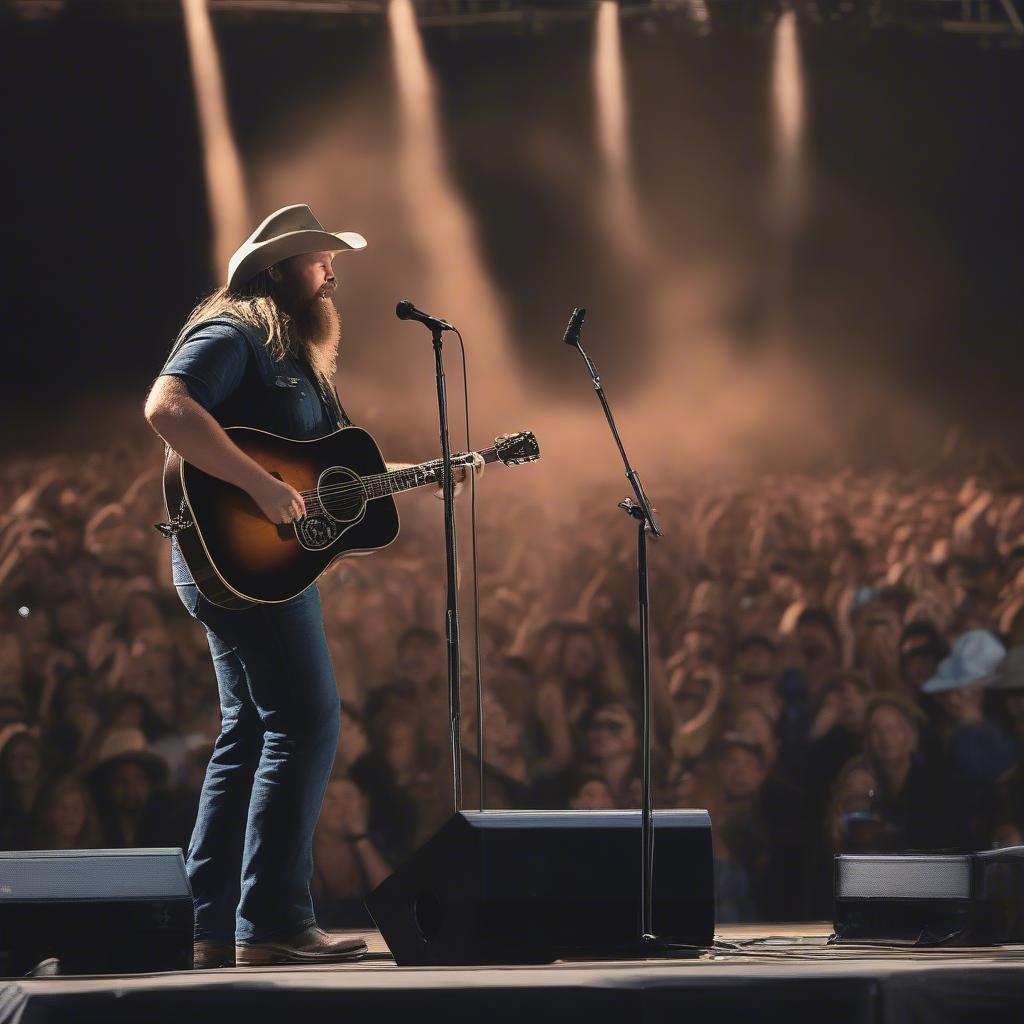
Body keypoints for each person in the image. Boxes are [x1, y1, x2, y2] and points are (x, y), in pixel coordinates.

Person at [144, 205, 478, 969]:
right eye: (319, 258)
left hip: (261, 567)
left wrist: (434, 473)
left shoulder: (300, 360)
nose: (333, 270)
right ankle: (272, 923)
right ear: (278, 269)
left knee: (252, 734)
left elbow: (349, 478)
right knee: (309, 721)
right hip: (244, 565)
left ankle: (207, 925)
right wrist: (261, 489)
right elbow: (168, 408)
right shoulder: (235, 334)